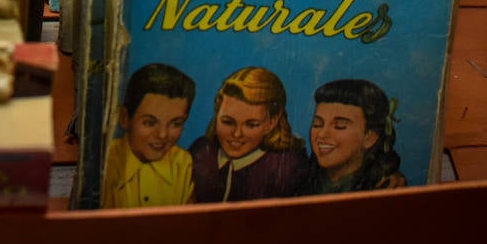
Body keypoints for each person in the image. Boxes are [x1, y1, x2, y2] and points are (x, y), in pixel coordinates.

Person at [190, 66, 309, 202]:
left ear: (272, 121)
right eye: (228, 122)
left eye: (251, 125)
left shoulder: (288, 166)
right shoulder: (200, 152)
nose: (236, 134)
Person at [100, 62, 196, 208]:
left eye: (175, 123)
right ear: (125, 118)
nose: (163, 135)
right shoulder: (106, 162)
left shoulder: (182, 163)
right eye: (150, 123)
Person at [299, 78, 408, 195]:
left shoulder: (385, 188)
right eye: (317, 124)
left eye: (339, 126)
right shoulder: (302, 176)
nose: (321, 134)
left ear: (370, 137)